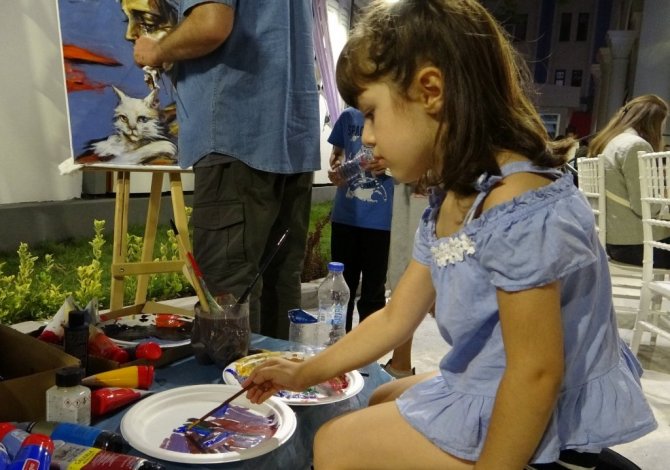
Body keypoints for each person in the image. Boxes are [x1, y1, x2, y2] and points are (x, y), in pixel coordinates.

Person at [244, 1, 657, 468]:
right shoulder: (459, 194)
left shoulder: (517, 205)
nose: (369, 136)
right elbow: (396, 317)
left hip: (551, 421)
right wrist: (305, 372)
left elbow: (537, 374)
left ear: (431, 91)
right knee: (383, 397)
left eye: (372, 113)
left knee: (335, 443)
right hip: (496, 379)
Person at [132, 1, 320, 340]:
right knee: (280, 284)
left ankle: (238, 377)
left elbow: (211, 24)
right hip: (291, 140)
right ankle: (277, 375)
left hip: (235, 137)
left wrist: (157, 50)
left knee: (228, 299)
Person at [327, 107, 394, 334]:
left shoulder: (394, 115)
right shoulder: (348, 116)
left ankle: (369, 348)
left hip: (380, 221)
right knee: (340, 289)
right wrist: (337, 165)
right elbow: (337, 153)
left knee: (373, 292)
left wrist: (388, 165)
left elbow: (410, 161)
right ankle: (338, 344)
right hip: (345, 217)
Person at [588, 94, 670, 267]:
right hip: (637, 244)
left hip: (616, 240)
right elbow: (645, 207)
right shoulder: (636, 145)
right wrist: (664, 203)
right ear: (653, 122)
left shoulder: (610, 141)